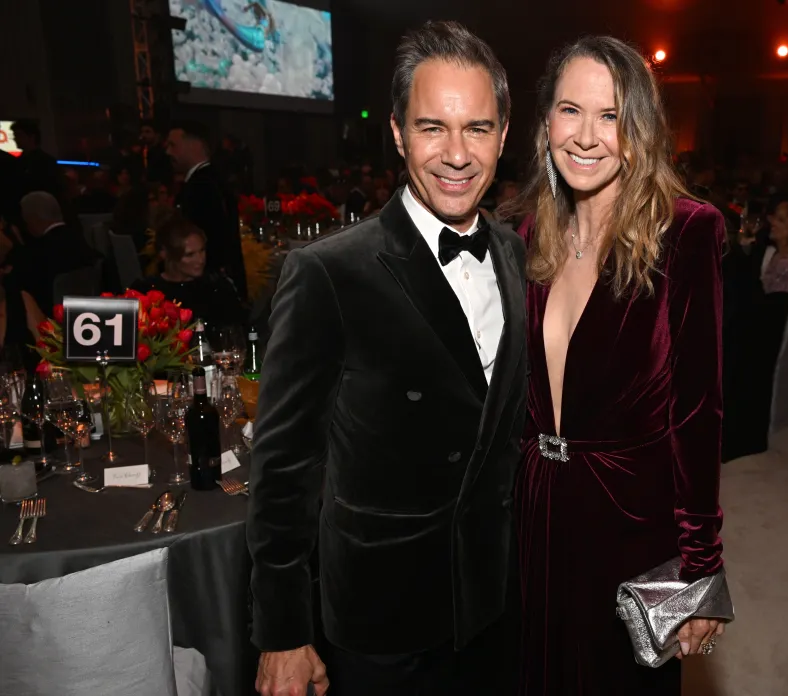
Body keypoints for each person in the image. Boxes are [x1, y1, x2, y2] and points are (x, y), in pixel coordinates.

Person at [247, 20, 526, 696]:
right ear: (398, 133)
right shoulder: (328, 273)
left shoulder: (518, 256)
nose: (457, 154)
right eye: (433, 127)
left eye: (478, 128)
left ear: (504, 135)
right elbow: (283, 468)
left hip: (496, 600)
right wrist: (284, 631)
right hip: (381, 616)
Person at [502, 36, 726, 695]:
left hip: (630, 527)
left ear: (641, 132)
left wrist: (700, 569)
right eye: (572, 110)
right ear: (546, 122)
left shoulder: (686, 232)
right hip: (535, 516)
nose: (589, 136)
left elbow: (699, 415)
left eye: (612, 116)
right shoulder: (524, 234)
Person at [165, 120, 248, 301]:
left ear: (194, 145)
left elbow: (214, 244)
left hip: (210, 295)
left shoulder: (201, 186)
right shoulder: (212, 180)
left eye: (173, 145)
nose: (168, 152)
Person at [131, 212, 244, 328]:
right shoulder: (146, 293)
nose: (200, 260)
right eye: (190, 255)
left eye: (202, 251)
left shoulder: (219, 288)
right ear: (164, 254)